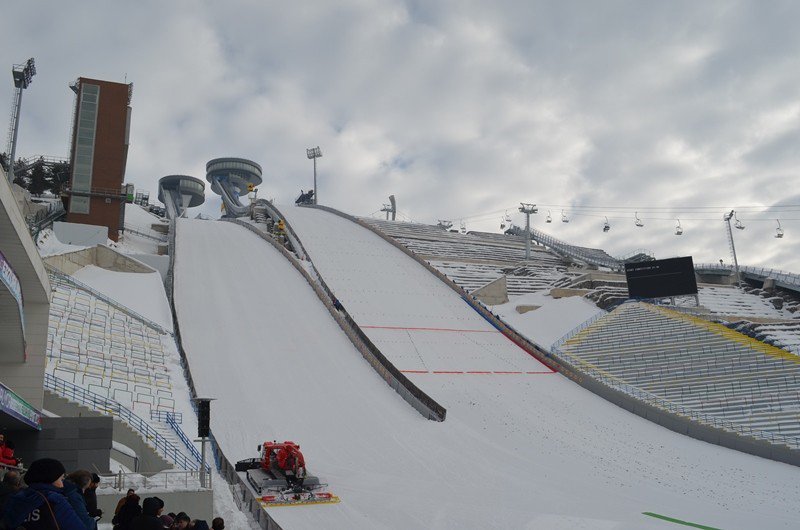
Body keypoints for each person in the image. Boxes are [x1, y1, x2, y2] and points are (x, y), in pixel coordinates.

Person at [1, 457, 86, 530]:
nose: (62, 484)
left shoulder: (15, 500)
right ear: (50, 479)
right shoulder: (55, 501)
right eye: (60, 479)